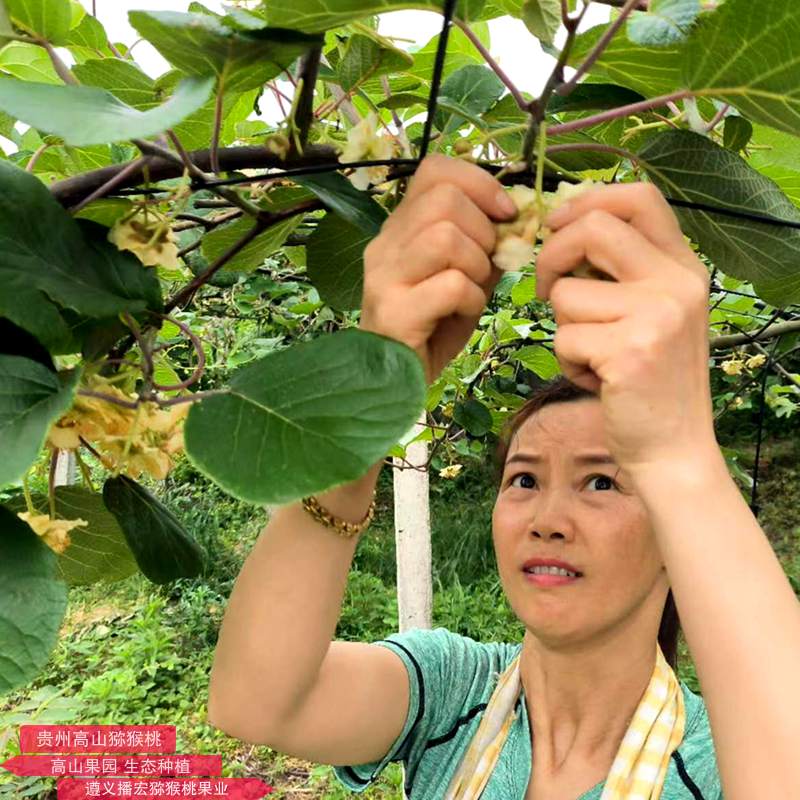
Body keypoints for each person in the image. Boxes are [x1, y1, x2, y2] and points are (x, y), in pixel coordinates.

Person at [206, 155, 800, 799]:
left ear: (678, 539)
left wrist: (676, 454)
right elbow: (257, 704)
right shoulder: (452, 692)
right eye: (523, 480)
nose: (546, 520)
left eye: (602, 482)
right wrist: (361, 412)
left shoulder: (722, 761)